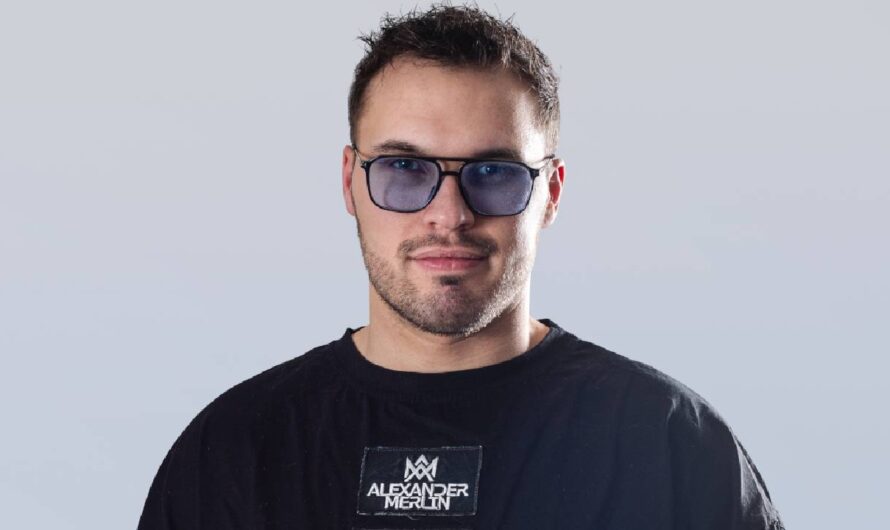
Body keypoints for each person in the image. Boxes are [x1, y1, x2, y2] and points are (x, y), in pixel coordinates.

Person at [137, 5, 784, 529]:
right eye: (404, 169)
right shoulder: (237, 450)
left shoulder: (668, 447)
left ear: (551, 193)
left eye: (494, 173)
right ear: (350, 182)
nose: (449, 215)